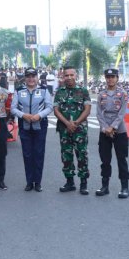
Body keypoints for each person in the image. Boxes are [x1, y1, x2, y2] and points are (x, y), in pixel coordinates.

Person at [10, 67, 53, 192]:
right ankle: (29, 182)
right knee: (27, 154)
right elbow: (13, 108)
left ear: (37, 77)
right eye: (28, 76)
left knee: (39, 153)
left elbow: (49, 107)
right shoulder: (18, 91)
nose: (31, 79)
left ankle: (38, 182)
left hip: (40, 126)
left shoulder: (44, 90)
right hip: (25, 126)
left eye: (33, 76)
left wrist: (39, 115)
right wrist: (24, 115)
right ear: (25, 78)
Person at [54, 67, 92, 195]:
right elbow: (56, 110)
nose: (69, 77)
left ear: (76, 75)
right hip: (64, 129)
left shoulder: (83, 91)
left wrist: (76, 123)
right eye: (66, 75)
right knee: (66, 155)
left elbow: (87, 109)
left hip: (79, 129)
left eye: (71, 75)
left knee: (82, 155)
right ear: (63, 77)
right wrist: (67, 123)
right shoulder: (59, 92)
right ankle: (69, 182)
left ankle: (83, 183)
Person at [95, 68, 129, 198]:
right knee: (105, 160)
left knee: (122, 159)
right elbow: (99, 113)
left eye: (113, 77)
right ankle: (105, 186)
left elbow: (122, 113)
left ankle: (124, 187)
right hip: (104, 132)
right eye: (108, 77)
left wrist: (113, 127)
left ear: (117, 78)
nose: (110, 79)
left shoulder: (123, 93)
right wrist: (105, 128)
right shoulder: (101, 94)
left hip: (119, 131)